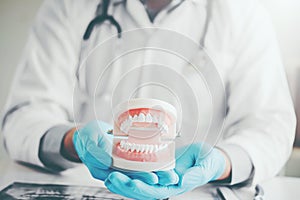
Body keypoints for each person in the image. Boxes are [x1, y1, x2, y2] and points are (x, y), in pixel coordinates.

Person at [1, 0, 296, 199]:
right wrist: (73, 141)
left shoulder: (242, 13)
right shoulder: (68, 6)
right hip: (85, 185)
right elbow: (24, 115)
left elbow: (270, 124)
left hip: (195, 193)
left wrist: (222, 162)